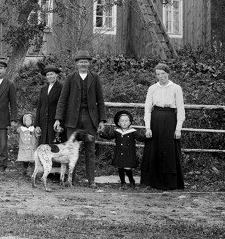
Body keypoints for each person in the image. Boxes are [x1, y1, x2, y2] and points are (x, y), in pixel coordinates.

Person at [54, 50, 107, 188]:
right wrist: (58, 118)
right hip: (73, 119)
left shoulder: (95, 78)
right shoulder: (70, 78)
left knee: (90, 150)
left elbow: (100, 100)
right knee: (72, 150)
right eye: (81, 62)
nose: (83, 64)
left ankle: (91, 180)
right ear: (76, 64)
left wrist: (101, 120)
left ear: (89, 63)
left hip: (90, 119)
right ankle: (71, 179)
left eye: (86, 61)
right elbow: (63, 99)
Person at [140, 63, 185, 190]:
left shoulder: (176, 88)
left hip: (171, 118)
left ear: (168, 74)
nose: (161, 77)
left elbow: (181, 110)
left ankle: (170, 183)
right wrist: (148, 127)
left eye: (163, 74)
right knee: (154, 149)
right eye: (158, 74)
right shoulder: (152, 88)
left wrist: (178, 129)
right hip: (156, 119)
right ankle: (153, 182)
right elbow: (147, 109)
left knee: (170, 150)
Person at [100, 110, 147, 190]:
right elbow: (109, 136)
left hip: (129, 153)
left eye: (126, 121)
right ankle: (123, 183)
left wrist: (147, 137)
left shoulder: (133, 132)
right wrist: (101, 133)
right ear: (119, 123)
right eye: (122, 121)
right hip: (120, 153)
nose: (124, 123)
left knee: (128, 168)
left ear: (129, 122)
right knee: (120, 168)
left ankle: (131, 180)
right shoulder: (117, 132)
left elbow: (140, 138)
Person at [35, 64, 64, 145]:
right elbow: (39, 106)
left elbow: (62, 106)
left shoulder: (61, 88)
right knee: (43, 146)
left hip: (54, 121)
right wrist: (37, 124)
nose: (49, 76)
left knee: (53, 146)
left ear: (56, 75)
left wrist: (59, 120)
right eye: (48, 75)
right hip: (43, 122)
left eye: (51, 74)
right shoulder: (43, 89)